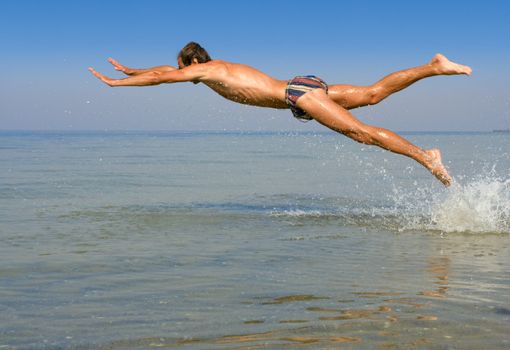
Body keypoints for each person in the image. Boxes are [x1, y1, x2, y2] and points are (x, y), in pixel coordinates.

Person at [89, 42, 472, 186]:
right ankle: (433, 66)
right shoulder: (217, 68)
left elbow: (162, 77)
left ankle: (426, 157)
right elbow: (158, 71)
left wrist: (117, 84)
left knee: (362, 134)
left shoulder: (203, 68)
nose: (182, 75)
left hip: (297, 94)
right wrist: (131, 70)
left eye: (182, 68)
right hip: (302, 86)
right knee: (372, 94)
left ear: (190, 61)